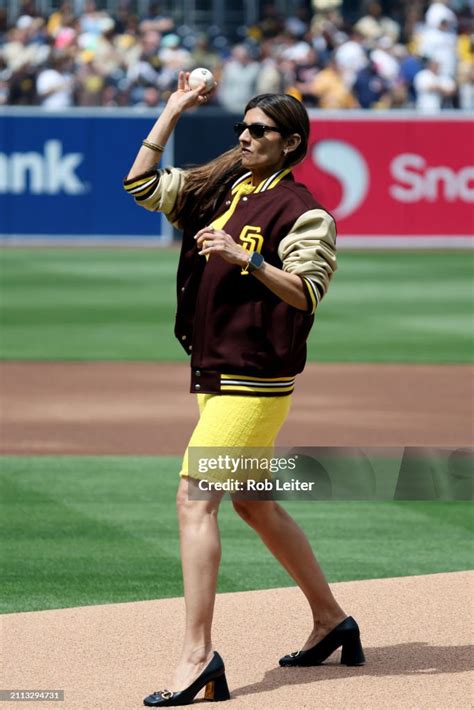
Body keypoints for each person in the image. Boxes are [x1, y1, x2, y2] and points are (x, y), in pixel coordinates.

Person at [124, 72, 365, 707]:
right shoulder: (222, 187)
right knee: (254, 502)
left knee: (193, 498)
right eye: (242, 127)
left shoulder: (305, 211)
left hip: (254, 380)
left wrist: (249, 259)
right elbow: (142, 185)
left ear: (290, 142)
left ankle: (198, 656)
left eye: (258, 130)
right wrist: (173, 108)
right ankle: (332, 621)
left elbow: (308, 291)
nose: (245, 136)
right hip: (215, 373)